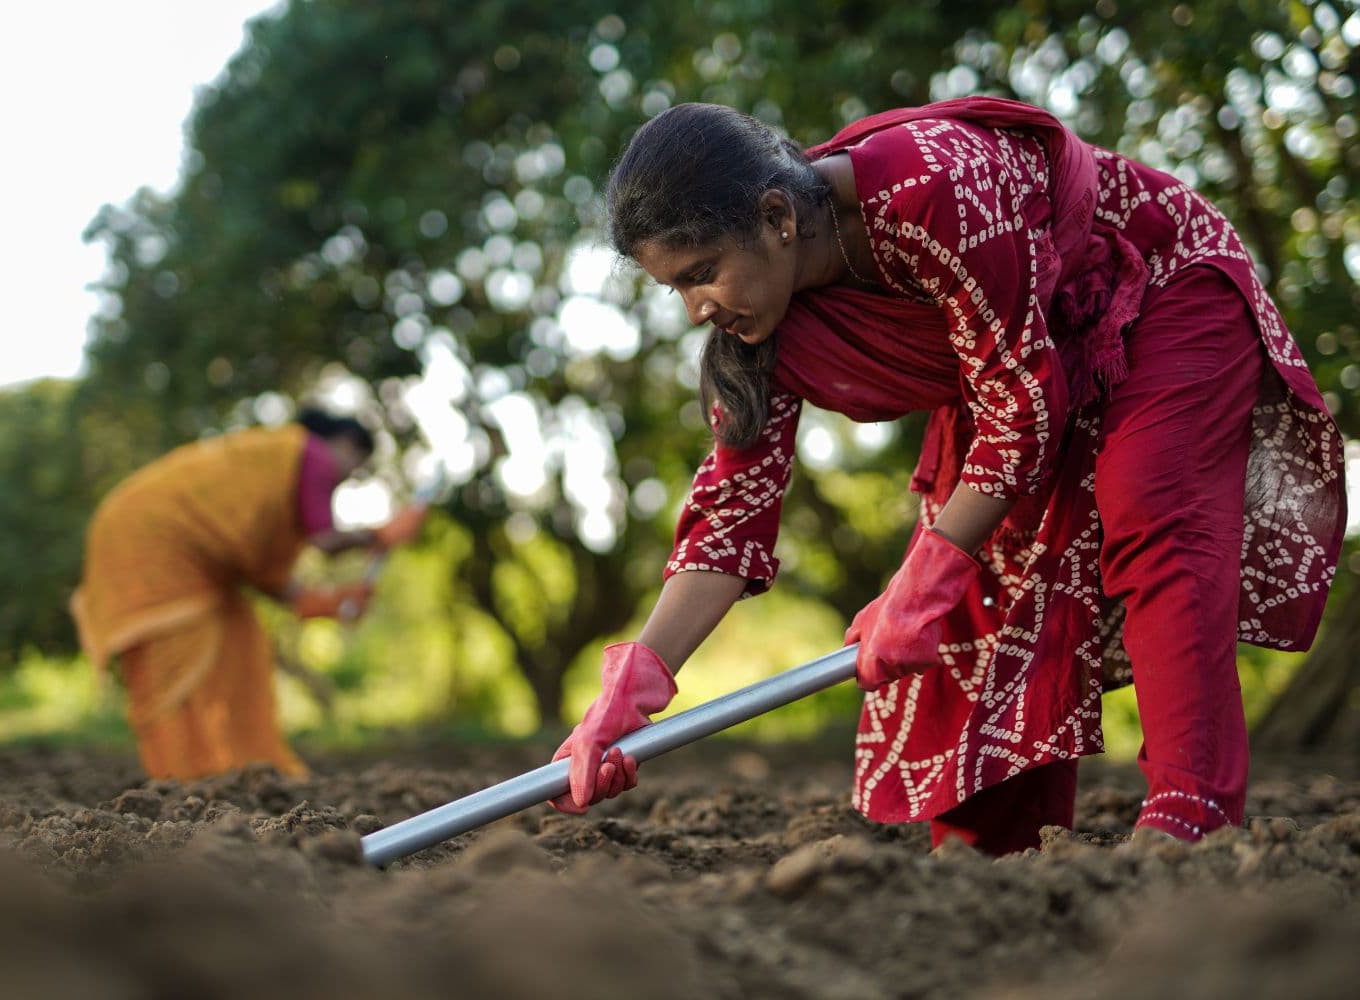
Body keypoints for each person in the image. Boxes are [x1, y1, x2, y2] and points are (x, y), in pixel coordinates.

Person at [549, 97, 1346, 853]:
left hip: (1156, 285)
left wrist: (921, 579)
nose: (694, 308)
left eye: (700, 273)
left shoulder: (932, 183)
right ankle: (998, 850)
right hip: (1011, 369)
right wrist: (637, 684)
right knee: (978, 587)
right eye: (675, 287)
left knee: (1147, 504)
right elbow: (730, 518)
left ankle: (1191, 813)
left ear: (777, 218)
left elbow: (1023, 412)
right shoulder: (760, 328)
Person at [70, 407, 430, 780]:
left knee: (239, 641)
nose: (350, 477)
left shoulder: (272, 471)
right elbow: (325, 540)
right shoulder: (312, 454)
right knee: (175, 672)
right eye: (357, 463)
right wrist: (380, 534)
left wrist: (322, 601)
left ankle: (240, 773)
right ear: (344, 442)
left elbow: (261, 572)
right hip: (152, 549)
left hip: (144, 538)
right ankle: (181, 782)